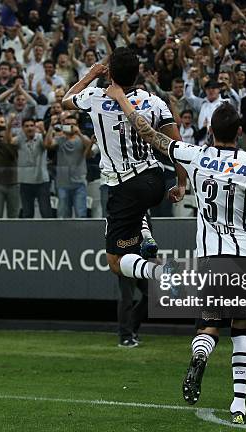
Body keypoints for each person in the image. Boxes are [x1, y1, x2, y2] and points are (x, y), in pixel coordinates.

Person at [104, 87, 246, 425]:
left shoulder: (194, 156)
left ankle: (199, 357)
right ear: (240, 131)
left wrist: (121, 100)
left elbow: (150, 134)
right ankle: (238, 405)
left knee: (209, 326)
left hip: (211, 258)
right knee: (242, 331)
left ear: (209, 130)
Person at [61, 48, 187, 297]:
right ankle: (145, 233)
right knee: (139, 210)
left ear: (110, 76)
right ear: (137, 73)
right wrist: (181, 183)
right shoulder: (154, 101)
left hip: (126, 187)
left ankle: (163, 271)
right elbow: (176, 144)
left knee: (116, 263)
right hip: (156, 180)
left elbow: (66, 99)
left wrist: (90, 74)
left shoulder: (95, 97)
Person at [45, 115, 93, 218]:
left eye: (73, 124)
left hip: (79, 183)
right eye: (67, 124)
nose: (70, 126)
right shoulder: (59, 138)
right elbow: (48, 144)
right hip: (62, 183)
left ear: (77, 125)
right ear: (63, 126)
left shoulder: (82, 138)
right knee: (63, 215)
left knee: (81, 215)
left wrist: (79, 133)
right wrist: (51, 127)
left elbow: (90, 147)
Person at [6, 116, 52, 218]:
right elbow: (9, 140)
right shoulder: (20, 138)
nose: (29, 128)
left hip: (42, 181)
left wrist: (44, 130)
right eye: (26, 126)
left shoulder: (40, 137)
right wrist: (9, 125)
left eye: (32, 126)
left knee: (46, 211)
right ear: (22, 128)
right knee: (27, 212)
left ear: (35, 127)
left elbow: (47, 145)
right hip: (25, 181)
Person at [0, 115, 20, 218]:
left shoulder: (16, 138)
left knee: (14, 216)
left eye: (2, 122)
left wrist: (9, 125)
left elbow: (8, 142)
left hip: (13, 182)